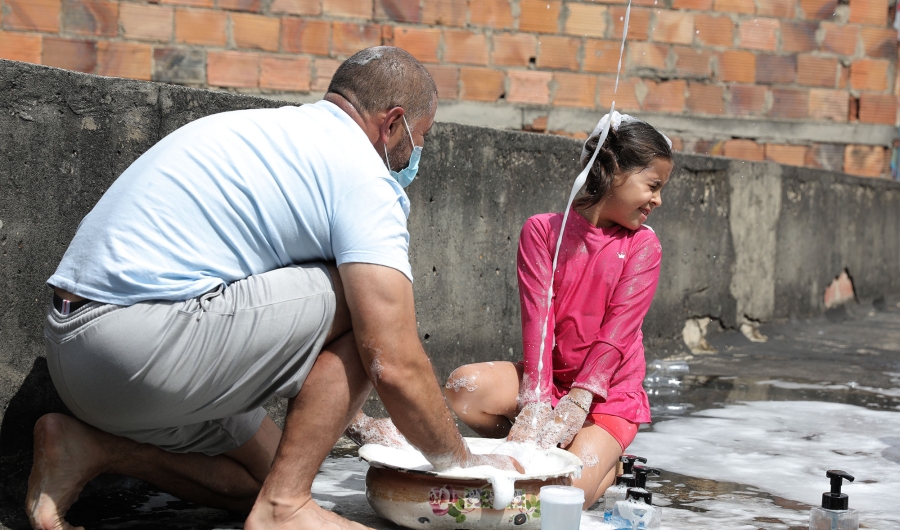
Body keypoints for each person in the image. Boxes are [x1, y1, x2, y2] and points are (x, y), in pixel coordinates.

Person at [27, 46, 519, 530]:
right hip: (140, 344)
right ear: (392, 123)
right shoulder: (363, 176)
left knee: (259, 481)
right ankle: (287, 506)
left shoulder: (264, 130)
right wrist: (463, 464)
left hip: (76, 353)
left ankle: (89, 449)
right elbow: (392, 361)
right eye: (421, 136)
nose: (418, 154)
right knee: (366, 310)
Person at [444, 111, 674, 509]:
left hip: (608, 397)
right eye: (652, 186)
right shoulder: (543, 231)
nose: (658, 200)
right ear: (613, 169)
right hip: (550, 383)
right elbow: (539, 323)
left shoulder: (643, 247)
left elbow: (617, 332)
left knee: (559, 495)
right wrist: (536, 403)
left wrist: (580, 399)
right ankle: (536, 447)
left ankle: (607, 461)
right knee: (463, 389)